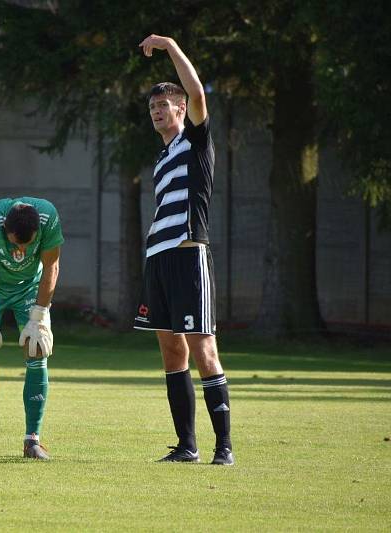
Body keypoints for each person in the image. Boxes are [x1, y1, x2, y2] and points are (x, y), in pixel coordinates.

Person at [134, 35, 233, 465]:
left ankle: (224, 447)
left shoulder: (195, 140)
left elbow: (195, 89)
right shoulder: (161, 158)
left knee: (203, 349)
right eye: (153, 107)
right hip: (158, 256)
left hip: (189, 254)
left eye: (164, 106)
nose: (157, 111)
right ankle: (186, 446)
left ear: (181, 110)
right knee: (172, 351)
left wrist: (170, 45)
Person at [0, 198, 63, 461]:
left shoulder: (48, 216)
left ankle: (33, 441)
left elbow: (51, 267)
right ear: (4, 231)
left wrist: (40, 315)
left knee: (37, 351)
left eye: (27, 243)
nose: (20, 249)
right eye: (15, 243)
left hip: (29, 288)